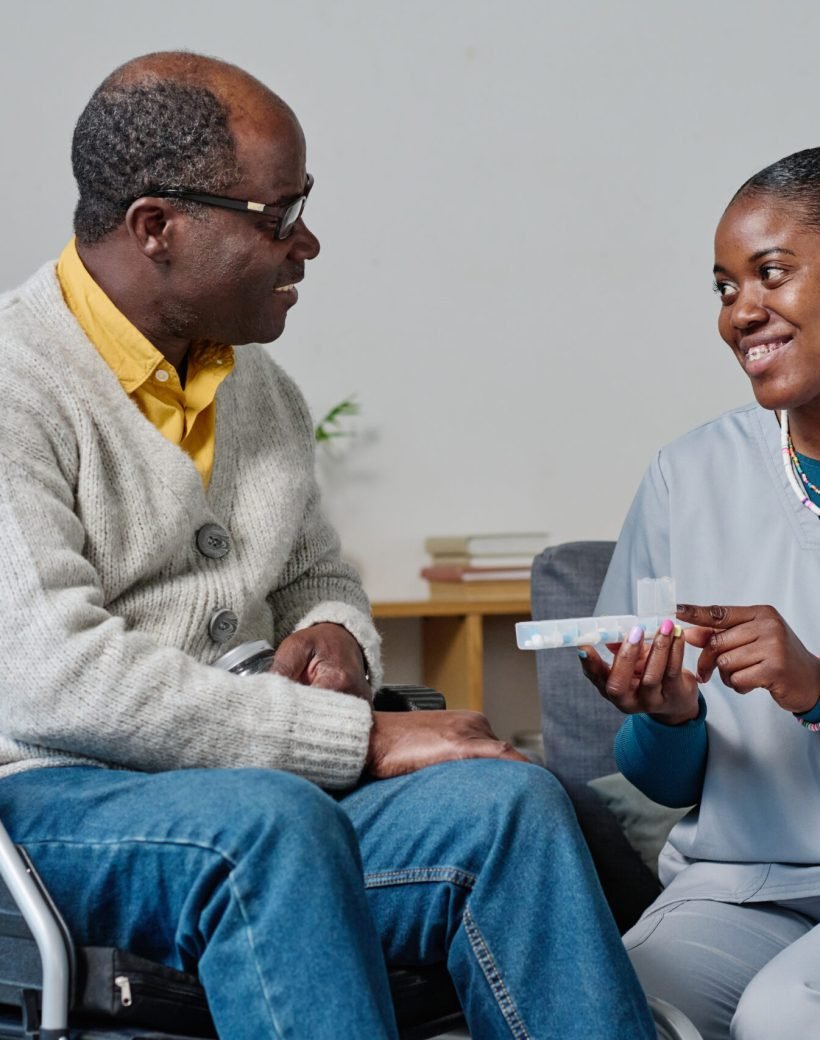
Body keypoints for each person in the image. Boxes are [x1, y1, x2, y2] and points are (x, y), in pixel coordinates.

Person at [0, 51, 654, 1039]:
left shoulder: (260, 392)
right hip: (58, 800)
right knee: (271, 821)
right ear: (156, 227)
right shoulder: (18, 384)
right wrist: (361, 734)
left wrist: (333, 630)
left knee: (507, 800)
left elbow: (318, 574)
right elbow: (58, 679)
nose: (307, 240)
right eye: (276, 214)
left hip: (247, 798)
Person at [579, 146, 820, 1040]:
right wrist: (670, 718)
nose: (740, 312)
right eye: (724, 287)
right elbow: (662, 780)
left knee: (783, 1016)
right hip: (741, 882)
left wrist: (818, 688)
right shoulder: (688, 475)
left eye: (770, 273)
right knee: (609, 1004)